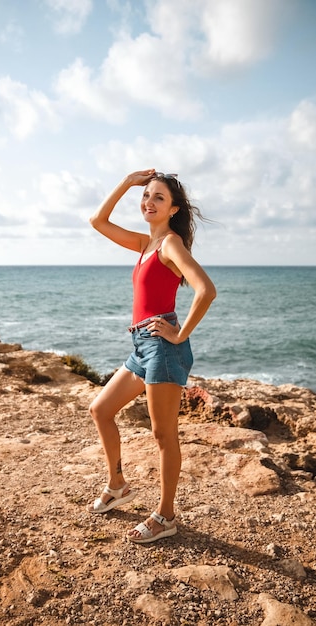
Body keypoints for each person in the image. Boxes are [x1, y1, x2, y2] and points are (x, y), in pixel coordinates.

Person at [88, 169, 216, 544]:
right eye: (146, 196)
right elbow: (98, 221)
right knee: (100, 410)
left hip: (163, 346)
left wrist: (180, 333)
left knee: (163, 435)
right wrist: (127, 183)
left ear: (173, 209)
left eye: (158, 197)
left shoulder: (170, 245)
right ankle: (117, 485)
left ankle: (166, 516)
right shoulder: (146, 244)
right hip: (141, 345)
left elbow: (205, 290)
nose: (149, 202)